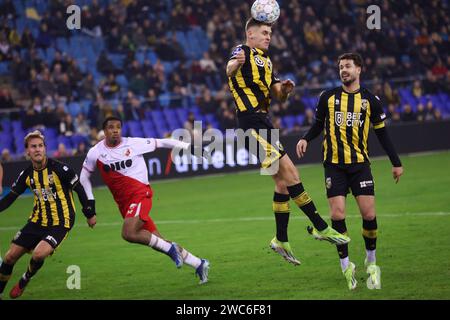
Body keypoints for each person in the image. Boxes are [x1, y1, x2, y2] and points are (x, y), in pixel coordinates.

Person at [226, 18, 350, 266]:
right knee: (292, 173)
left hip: (265, 123)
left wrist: (285, 89)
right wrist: (234, 64)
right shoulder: (243, 51)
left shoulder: (268, 61)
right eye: (263, 32)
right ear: (250, 34)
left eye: (269, 32)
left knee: (282, 184)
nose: (268, 36)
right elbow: (229, 68)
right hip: (251, 124)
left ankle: (281, 239)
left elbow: (277, 95)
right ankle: (321, 227)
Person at [296, 53, 404, 290]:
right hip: (333, 166)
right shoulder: (328, 97)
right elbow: (317, 124)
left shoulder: (370, 101)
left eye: (348, 66)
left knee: (368, 214)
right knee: (337, 215)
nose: (343, 70)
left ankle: (372, 262)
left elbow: (382, 133)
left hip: (360, 166)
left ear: (359, 70)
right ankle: (346, 265)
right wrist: (306, 139)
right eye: (341, 67)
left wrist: (395, 162)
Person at [79, 116, 210, 284]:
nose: (115, 130)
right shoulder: (95, 152)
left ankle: (172, 250)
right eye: (111, 127)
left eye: (118, 127)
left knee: (128, 233)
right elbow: (84, 177)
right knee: (159, 241)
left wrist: (188, 147)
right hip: (125, 204)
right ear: (104, 131)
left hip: (141, 194)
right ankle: (199, 264)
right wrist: (90, 204)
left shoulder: (134, 143)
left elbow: (163, 142)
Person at [0, 130, 96, 299]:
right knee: (9, 257)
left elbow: (79, 189)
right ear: (27, 151)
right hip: (37, 220)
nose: (37, 149)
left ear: (45, 148)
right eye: (33, 147)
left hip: (62, 221)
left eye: (40, 146)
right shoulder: (27, 174)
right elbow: (10, 198)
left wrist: (89, 213)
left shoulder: (61, 169)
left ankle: (25, 278)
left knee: (38, 254)